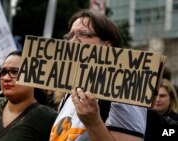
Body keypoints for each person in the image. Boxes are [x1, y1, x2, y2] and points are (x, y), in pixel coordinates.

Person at [50, 9, 147, 141]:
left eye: (84, 34)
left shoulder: (125, 91)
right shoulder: (69, 93)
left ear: (107, 46)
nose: (72, 42)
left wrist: (93, 123)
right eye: (69, 36)